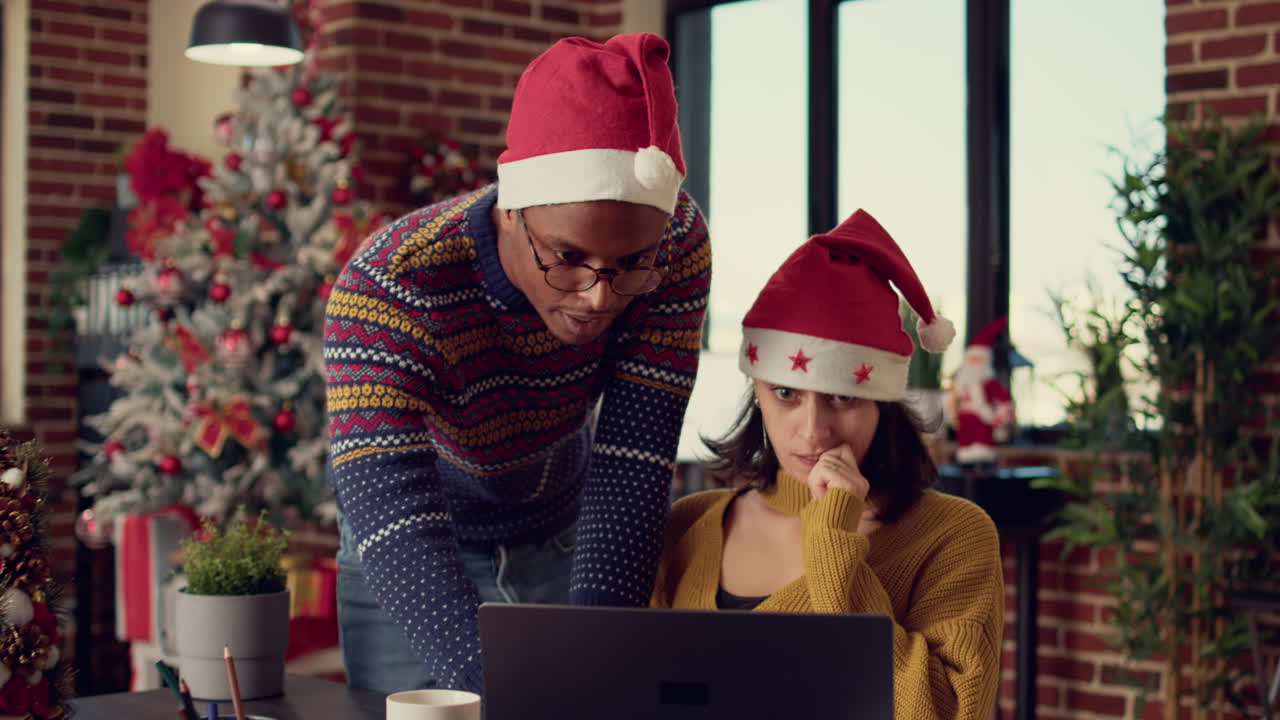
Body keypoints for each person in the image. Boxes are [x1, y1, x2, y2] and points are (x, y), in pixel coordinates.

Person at [324, 33, 710, 695]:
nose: (597, 297)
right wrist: (499, 687)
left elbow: (633, 460)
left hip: (565, 536)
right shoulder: (390, 284)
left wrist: (601, 655)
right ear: (510, 212)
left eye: (630, 264)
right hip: (414, 552)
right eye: (567, 258)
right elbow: (391, 509)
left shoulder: (676, 248)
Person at [651, 210, 1003, 720]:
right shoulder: (690, 522)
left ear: (882, 403)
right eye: (786, 393)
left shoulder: (953, 535)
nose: (814, 431)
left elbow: (947, 712)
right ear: (756, 392)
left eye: (842, 397)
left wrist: (834, 541)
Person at [949, 317, 1015, 466]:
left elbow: (1005, 401)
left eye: (978, 360)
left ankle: (981, 467)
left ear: (985, 361)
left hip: (983, 423)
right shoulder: (960, 382)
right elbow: (953, 401)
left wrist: (997, 418)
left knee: (982, 453)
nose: (974, 364)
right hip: (964, 427)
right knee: (965, 459)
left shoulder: (989, 383)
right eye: (971, 359)